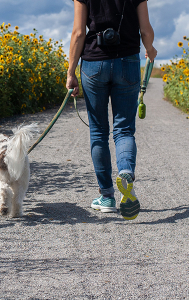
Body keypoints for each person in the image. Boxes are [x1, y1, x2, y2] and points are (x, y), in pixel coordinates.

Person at [66, 0, 157, 220]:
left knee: (98, 131)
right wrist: (150, 48)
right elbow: (145, 29)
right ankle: (125, 172)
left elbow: (78, 33)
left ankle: (107, 197)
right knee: (124, 130)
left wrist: (71, 71)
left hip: (94, 63)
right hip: (127, 60)